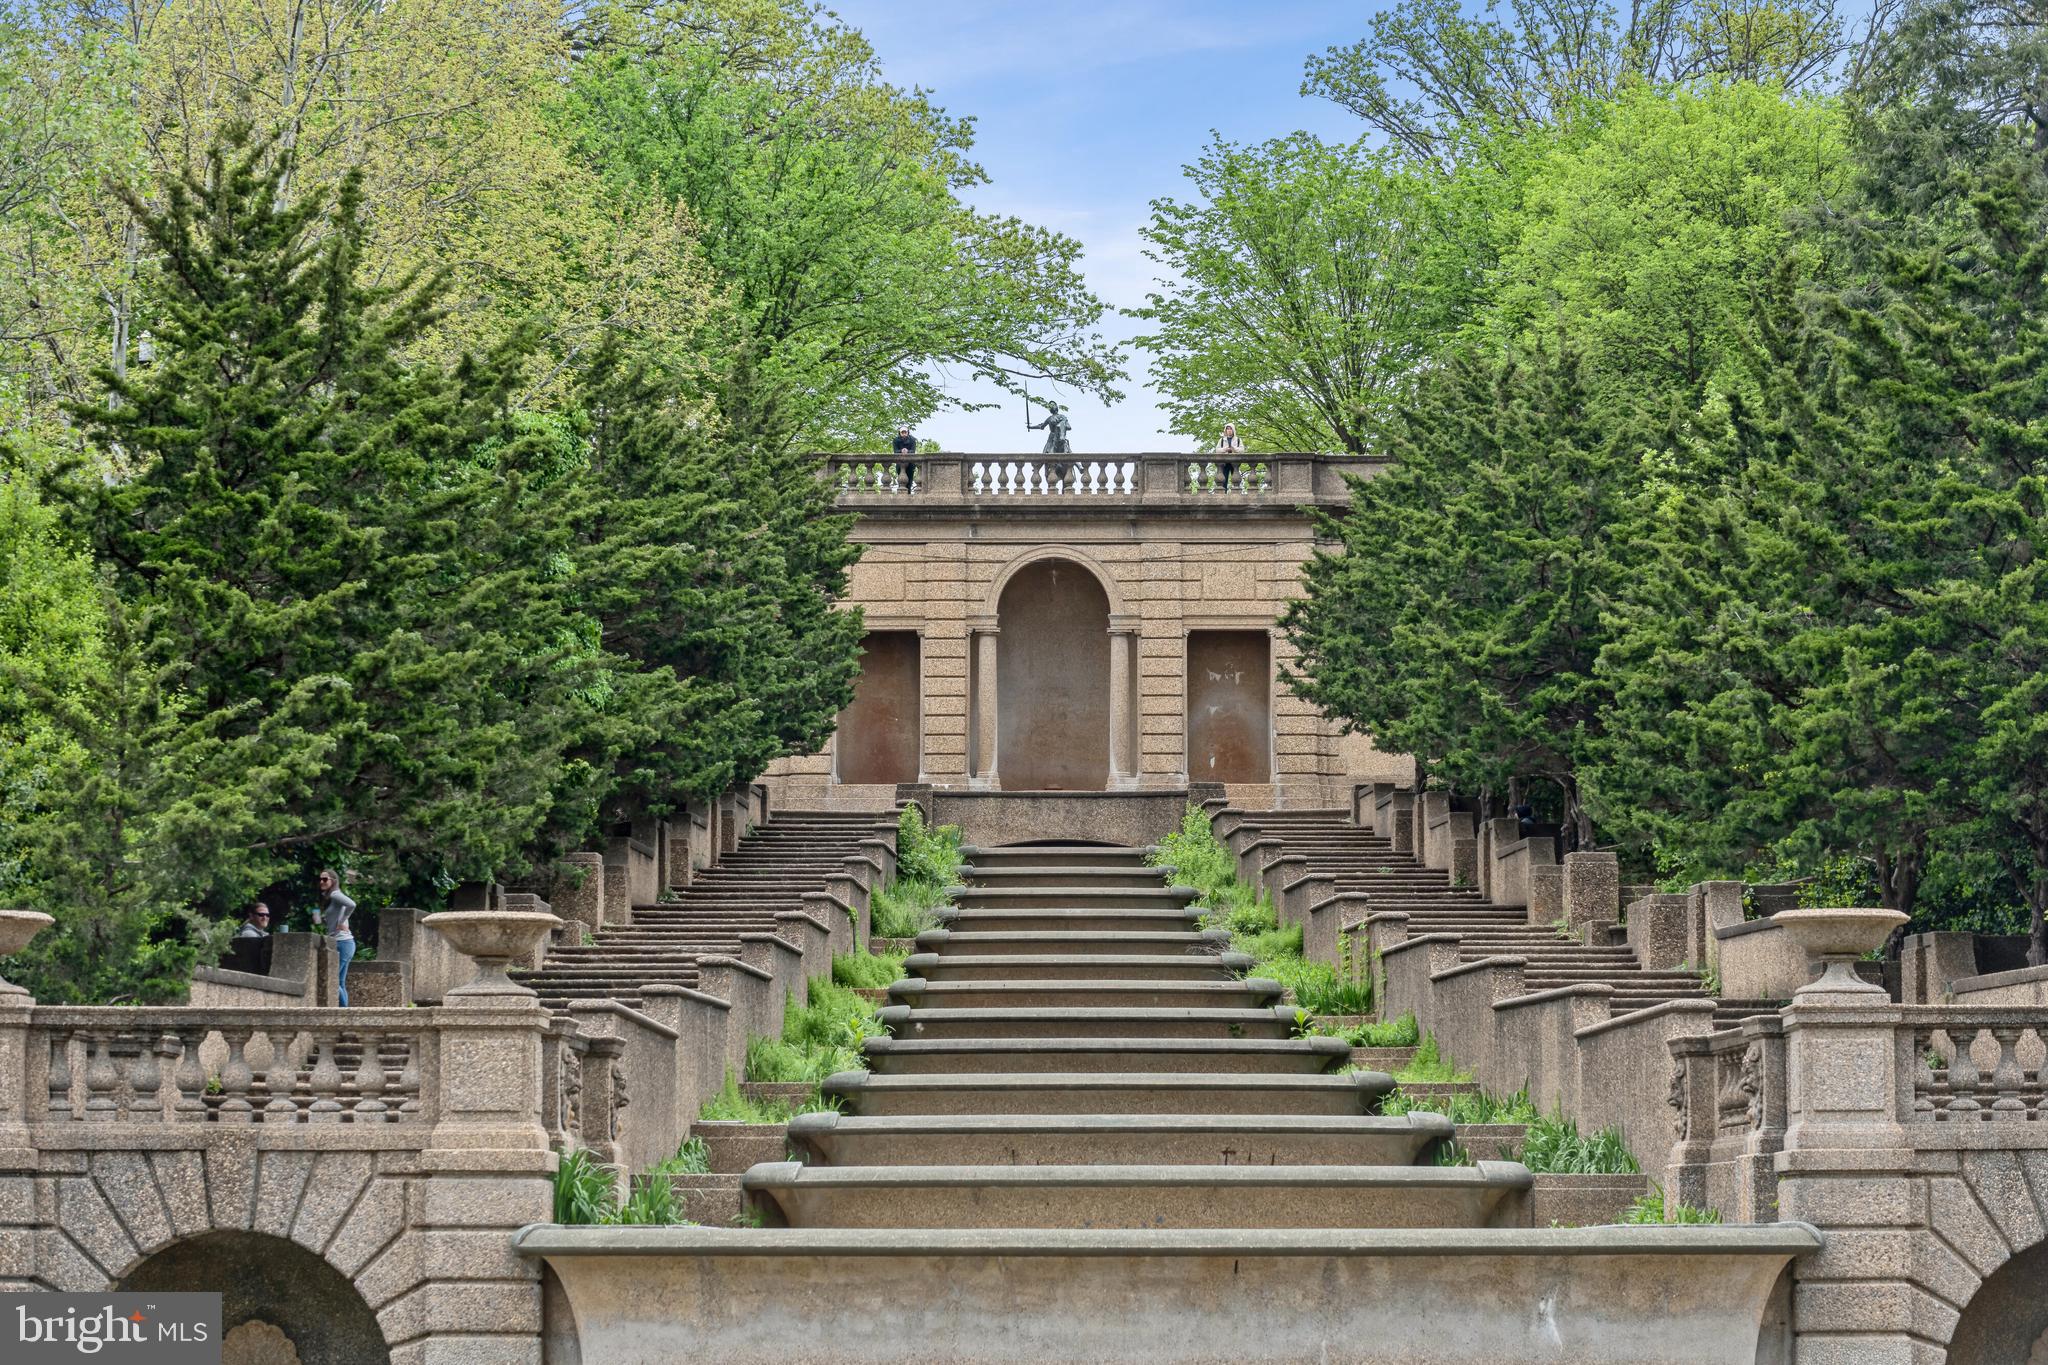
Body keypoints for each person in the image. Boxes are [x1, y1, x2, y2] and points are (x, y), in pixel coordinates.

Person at [312, 869, 357, 1006]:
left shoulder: (336, 894)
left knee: (332, 979)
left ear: (334, 881)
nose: (322, 882)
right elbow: (320, 922)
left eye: (325, 879)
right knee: (340, 982)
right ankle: (345, 1018)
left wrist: (342, 921)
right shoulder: (331, 898)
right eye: (320, 879)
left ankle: (346, 1015)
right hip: (344, 943)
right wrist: (317, 915)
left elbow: (352, 904)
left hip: (342, 942)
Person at [1027, 401, 1073, 488]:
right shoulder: (1049, 418)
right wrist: (1031, 427)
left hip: (1060, 436)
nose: (1052, 406)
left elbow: (1069, 427)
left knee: (1068, 450)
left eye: (1053, 405)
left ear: (1056, 407)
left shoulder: (1063, 417)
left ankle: (1078, 465)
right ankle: (1038, 466)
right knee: (1045, 451)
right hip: (1051, 439)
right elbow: (1041, 426)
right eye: (1050, 406)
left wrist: (1061, 425)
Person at [1214, 423, 1245, 491]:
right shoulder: (1221, 440)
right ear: (1225, 430)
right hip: (1224, 463)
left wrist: (1234, 449)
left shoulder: (1238, 440)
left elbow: (1242, 450)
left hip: (1235, 463)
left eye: (1230, 429)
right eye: (1227, 429)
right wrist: (1225, 449)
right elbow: (1217, 450)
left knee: (1236, 480)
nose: (1229, 430)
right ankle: (1224, 495)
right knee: (1223, 480)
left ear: (1233, 430)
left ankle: (1237, 495)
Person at [890, 427, 919, 492]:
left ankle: (908, 493)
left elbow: (913, 451)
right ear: (899, 433)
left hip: (911, 463)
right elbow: (895, 451)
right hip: (900, 463)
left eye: (905, 432)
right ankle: (901, 494)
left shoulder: (912, 440)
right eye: (902, 432)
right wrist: (901, 450)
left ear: (908, 432)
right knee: (901, 481)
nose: (904, 434)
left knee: (909, 480)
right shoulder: (895, 440)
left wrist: (907, 451)